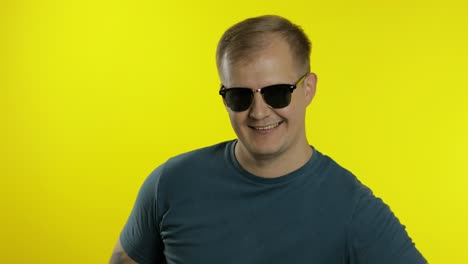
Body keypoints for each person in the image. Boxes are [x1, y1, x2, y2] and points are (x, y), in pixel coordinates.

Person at [110, 15, 427, 264]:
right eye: (239, 95)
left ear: (307, 89)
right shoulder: (171, 183)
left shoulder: (352, 210)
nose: (259, 112)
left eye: (277, 93)